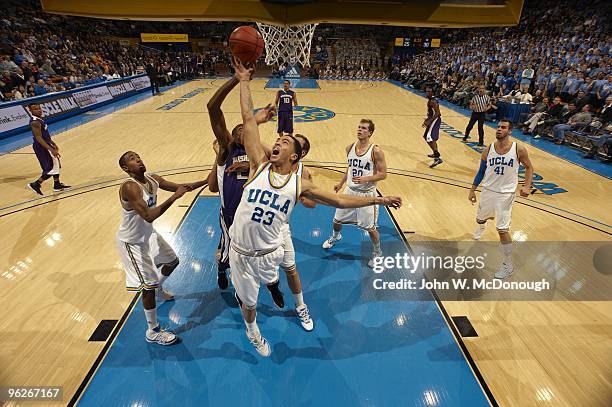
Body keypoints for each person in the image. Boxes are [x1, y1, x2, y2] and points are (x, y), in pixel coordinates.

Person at [231, 60, 401, 356]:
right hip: (240, 251)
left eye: (284, 141)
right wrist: (244, 81)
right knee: (249, 304)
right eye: (278, 139)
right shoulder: (258, 166)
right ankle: (252, 331)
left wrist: (378, 199)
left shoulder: (300, 183)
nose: (277, 142)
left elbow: (340, 200)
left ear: (295, 156)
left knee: (284, 274)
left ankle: (299, 305)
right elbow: (247, 119)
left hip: (270, 250)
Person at [115, 151, 207, 345]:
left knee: (172, 261)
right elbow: (149, 216)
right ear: (125, 168)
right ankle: (153, 331)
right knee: (147, 285)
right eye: (132, 159)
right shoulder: (130, 187)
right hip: (132, 242)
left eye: (138, 156)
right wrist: (174, 198)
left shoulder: (152, 179)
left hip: (148, 235)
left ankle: (158, 290)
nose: (138, 159)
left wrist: (208, 180)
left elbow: (184, 187)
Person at [206, 76, 276, 291]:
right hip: (230, 214)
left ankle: (263, 280)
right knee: (230, 254)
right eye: (237, 131)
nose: (241, 132)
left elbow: (275, 169)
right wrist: (237, 79)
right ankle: (222, 269)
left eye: (245, 130)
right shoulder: (228, 150)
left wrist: (256, 123)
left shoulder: (258, 156)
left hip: (253, 214)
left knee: (255, 252)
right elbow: (212, 107)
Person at [468, 120, 534, 279]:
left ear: (510, 131)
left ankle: (508, 265)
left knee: (502, 229)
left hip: (506, 194)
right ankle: (482, 225)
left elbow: (529, 168)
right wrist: (472, 190)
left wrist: (526, 186)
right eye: (498, 127)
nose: (499, 129)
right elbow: (481, 172)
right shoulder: (488, 149)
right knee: (480, 218)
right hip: (488, 191)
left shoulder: (519, 149)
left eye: (503, 127)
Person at [321, 119, 388, 268]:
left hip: (367, 195)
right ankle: (336, 237)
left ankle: (378, 253)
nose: (360, 130)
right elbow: (350, 168)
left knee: (370, 228)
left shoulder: (376, 151)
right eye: (359, 127)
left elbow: (383, 174)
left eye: (364, 128)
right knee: (336, 220)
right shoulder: (350, 147)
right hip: (349, 192)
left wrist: (367, 178)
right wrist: (341, 182)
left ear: (370, 133)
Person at [26, 104, 71, 195]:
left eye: (39, 108)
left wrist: (52, 143)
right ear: (30, 111)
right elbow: (38, 137)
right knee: (51, 168)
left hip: (46, 144)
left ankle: (57, 184)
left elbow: (44, 135)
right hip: (42, 147)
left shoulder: (39, 119)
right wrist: (50, 149)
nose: (39, 110)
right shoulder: (34, 122)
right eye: (35, 109)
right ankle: (36, 184)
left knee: (56, 164)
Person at [422, 87, 443, 168]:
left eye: (429, 91)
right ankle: (435, 153)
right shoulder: (430, 100)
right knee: (425, 136)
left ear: (432, 92)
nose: (427, 93)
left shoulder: (433, 101)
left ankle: (437, 157)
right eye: (426, 91)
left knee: (430, 137)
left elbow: (438, 113)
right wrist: (427, 119)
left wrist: (429, 121)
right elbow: (432, 113)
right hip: (432, 120)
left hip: (435, 120)